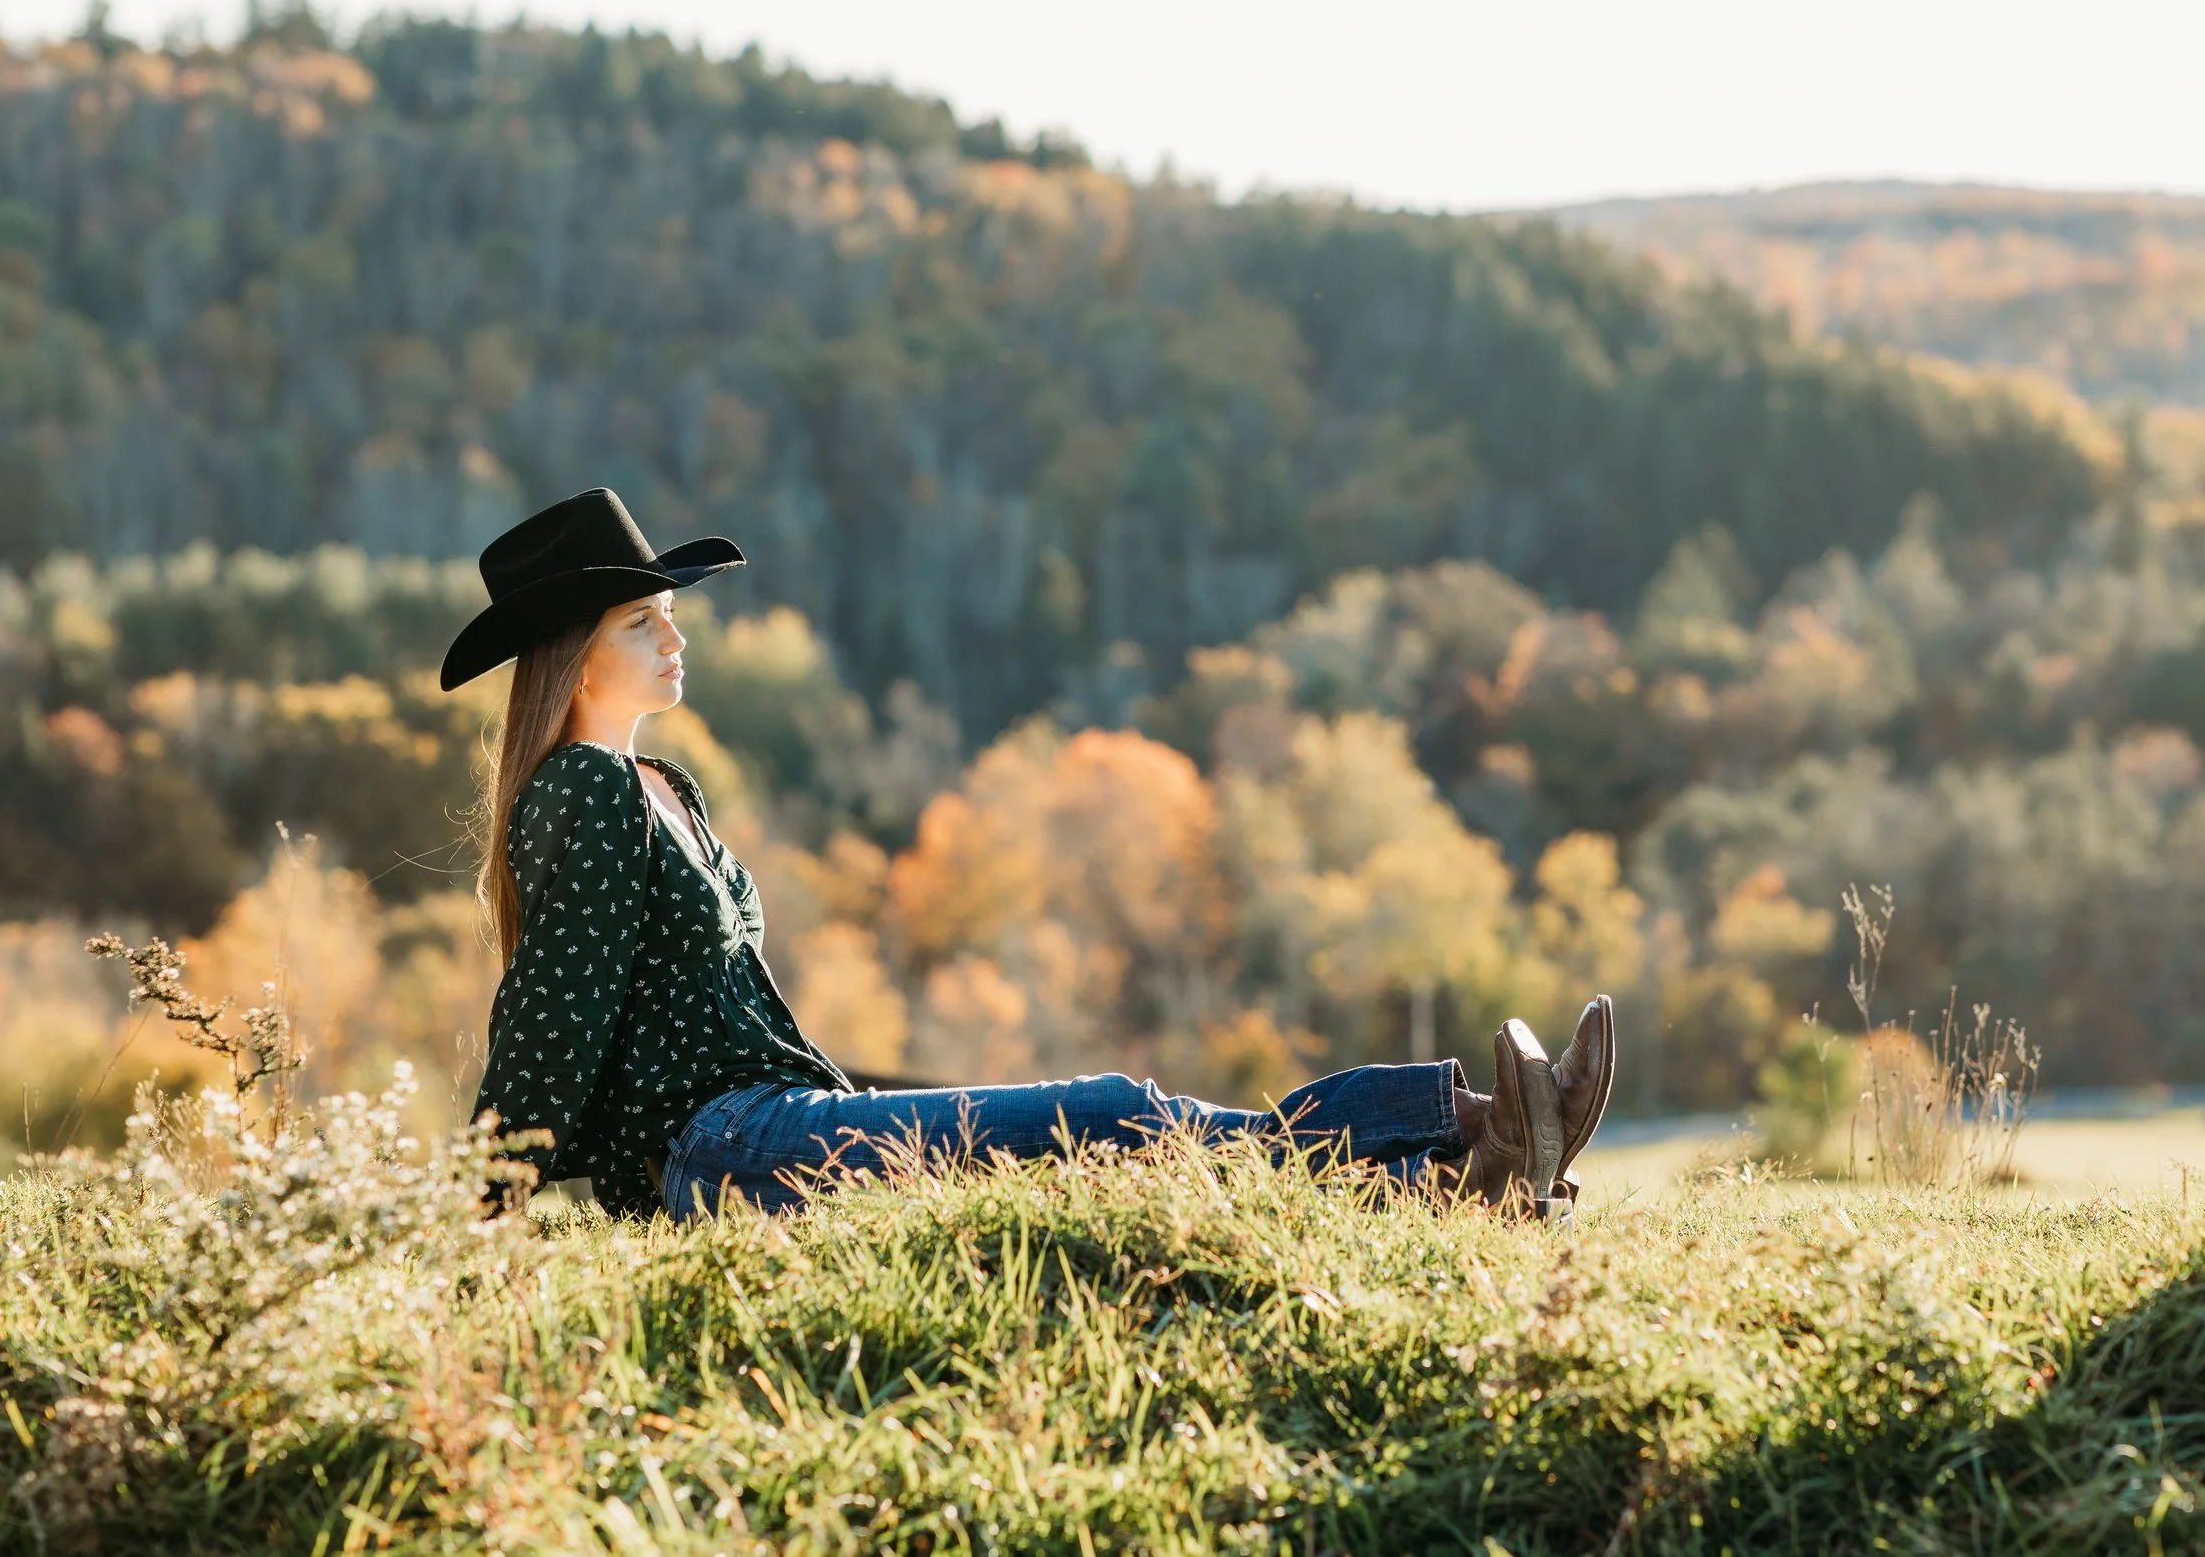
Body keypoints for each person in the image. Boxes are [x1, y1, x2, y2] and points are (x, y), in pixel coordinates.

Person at [443, 489, 1616, 1223]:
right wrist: (474, 1211)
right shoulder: (586, 791)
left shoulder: (662, 787)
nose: (676, 629)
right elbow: (552, 1013)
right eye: (641, 619)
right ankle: (1468, 1132)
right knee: (1110, 1112)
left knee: (1109, 1123)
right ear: (576, 660)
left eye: (667, 609)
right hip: (718, 1149)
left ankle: (1474, 1149)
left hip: (769, 1117)